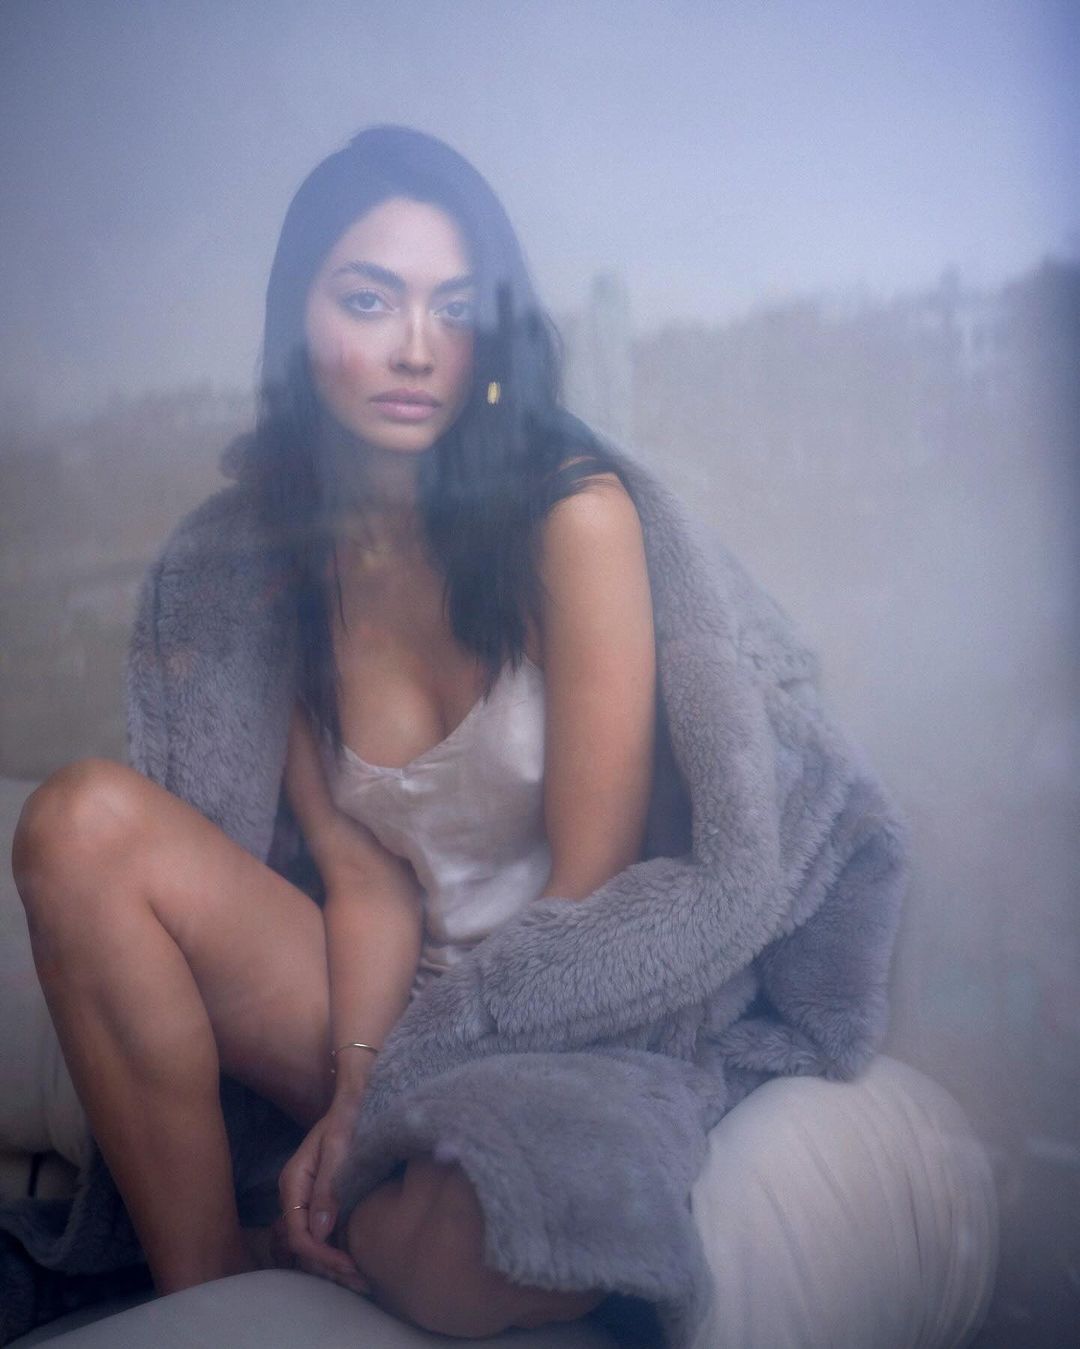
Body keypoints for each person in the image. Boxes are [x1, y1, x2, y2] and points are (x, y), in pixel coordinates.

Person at [12, 125, 658, 1337]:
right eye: (369, 299)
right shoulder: (284, 560)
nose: (417, 346)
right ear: (300, 323)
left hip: (556, 1014)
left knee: (476, 1247)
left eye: (454, 308)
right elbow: (366, 876)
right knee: (76, 824)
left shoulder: (574, 518)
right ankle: (210, 1286)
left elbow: (590, 894)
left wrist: (413, 1090)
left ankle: (322, 1227)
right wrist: (361, 1081)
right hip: (385, 994)